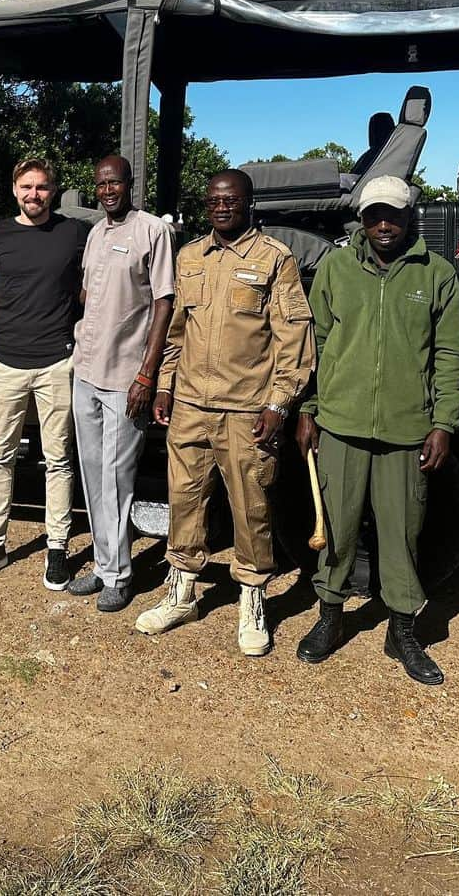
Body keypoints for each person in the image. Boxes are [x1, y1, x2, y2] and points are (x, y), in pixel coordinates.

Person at [295, 175, 459, 685]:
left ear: (410, 214)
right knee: (338, 528)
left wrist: (443, 423)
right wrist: (309, 406)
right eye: (373, 215)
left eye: (392, 214)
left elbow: (450, 355)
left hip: (406, 428)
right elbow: (317, 343)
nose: (383, 224)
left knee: (402, 533)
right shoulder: (335, 268)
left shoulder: (436, 274)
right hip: (341, 424)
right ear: (362, 219)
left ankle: (402, 630)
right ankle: (329, 617)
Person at [135, 170, 315, 655]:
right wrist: (165, 387)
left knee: (251, 507)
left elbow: (293, 340)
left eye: (231, 200)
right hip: (191, 405)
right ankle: (181, 592)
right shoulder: (190, 256)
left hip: (245, 410)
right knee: (184, 499)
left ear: (248, 204)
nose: (221, 207)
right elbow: (177, 333)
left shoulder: (274, 259)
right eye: (214, 200)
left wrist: (279, 403)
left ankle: (252, 598)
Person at [0, 158, 88, 591]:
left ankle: (57, 547)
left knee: (58, 460)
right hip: (6, 362)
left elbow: (91, 289)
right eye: (27, 187)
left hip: (57, 361)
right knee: (0, 456)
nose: (34, 194)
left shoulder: (73, 233)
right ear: (14, 189)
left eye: (43, 187)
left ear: (55, 190)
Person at [67, 155, 174, 612]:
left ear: (130, 184)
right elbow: (90, 296)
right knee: (92, 474)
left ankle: (120, 574)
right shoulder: (95, 234)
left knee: (117, 476)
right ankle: (103, 562)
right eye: (101, 183)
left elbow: (165, 304)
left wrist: (147, 374)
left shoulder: (153, 231)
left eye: (115, 182)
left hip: (125, 376)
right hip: (87, 369)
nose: (108, 190)